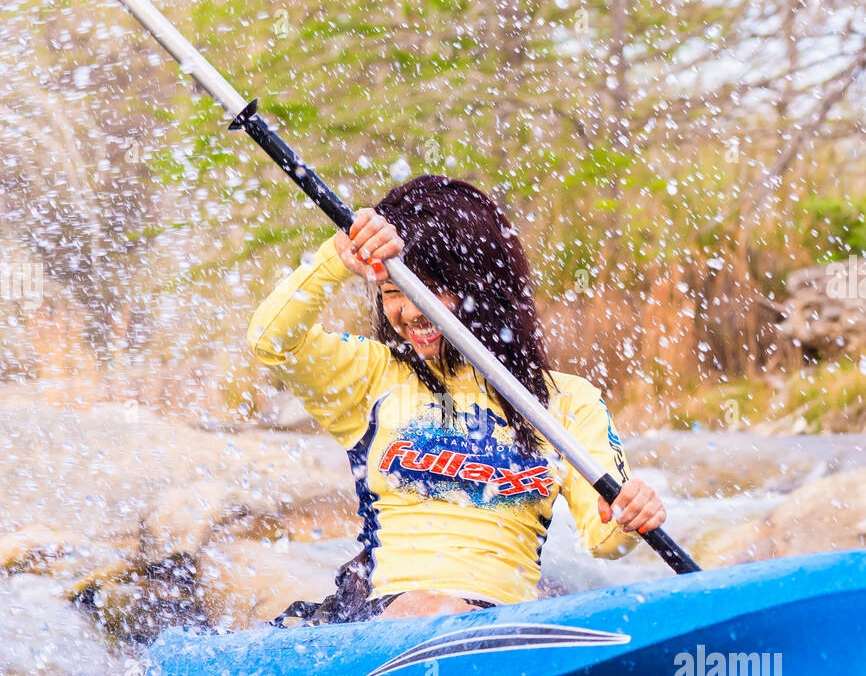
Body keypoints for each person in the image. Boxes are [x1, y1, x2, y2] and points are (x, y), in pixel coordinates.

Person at [248, 175, 665, 623]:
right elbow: (271, 341)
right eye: (393, 292)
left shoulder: (566, 402)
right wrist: (335, 258)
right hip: (380, 615)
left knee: (466, 612)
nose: (408, 313)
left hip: (500, 620)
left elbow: (604, 540)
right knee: (430, 607)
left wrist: (630, 515)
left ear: (481, 288)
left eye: (427, 291)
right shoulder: (372, 374)